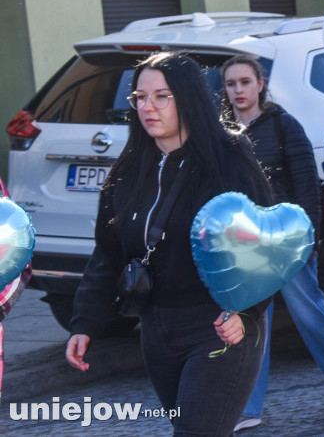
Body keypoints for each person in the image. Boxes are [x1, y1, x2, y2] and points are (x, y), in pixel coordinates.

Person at [66, 52, 273, 436]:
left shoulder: (227, 158)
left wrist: (245, 312)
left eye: (162, 96)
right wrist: (86, 323)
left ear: (187, 97)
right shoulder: (128, 170)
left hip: (217, 327)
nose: (148, 107)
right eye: (140, 97)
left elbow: (266, 242)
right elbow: (109, 253)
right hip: (156, 331)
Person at [220, 55, 324, 432]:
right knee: (248, 320)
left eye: (245, 82)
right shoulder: (222, 132)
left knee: (309, 310)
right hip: (242, 241)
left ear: (260, 83)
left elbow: (306, 184)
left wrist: (307, 237)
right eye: (231, 84)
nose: (238, 90)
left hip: (285, 237)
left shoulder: (283, 125)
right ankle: (247, 405)